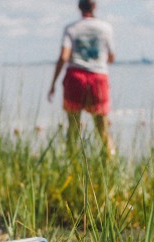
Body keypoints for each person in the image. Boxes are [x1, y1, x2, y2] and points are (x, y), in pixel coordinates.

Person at [48, 0, 116, 156]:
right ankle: (111, 162)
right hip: (98, 78)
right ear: (95, 6)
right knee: (103, 129)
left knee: (73, 128)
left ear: (79, 7)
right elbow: (111, 57)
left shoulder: (71, 28)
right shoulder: (106, 28)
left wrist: (53, 85)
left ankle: (72, 165)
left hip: (75, 78)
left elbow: (64, 57)